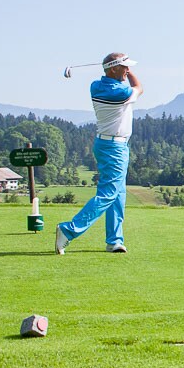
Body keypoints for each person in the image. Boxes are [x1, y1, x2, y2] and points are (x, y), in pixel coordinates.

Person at [56, 53, 142, 254]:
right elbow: (139, 88)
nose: (127, 70)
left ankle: (114, 240)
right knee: (108, 194)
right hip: (114, 148)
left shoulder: (96, 85)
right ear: (113, 69)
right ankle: (68, 230)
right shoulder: (120, 91)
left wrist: (123, 66)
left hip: (107, 144)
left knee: (118, 195)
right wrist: (131, 73)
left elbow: (123, 79)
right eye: (124, 67)